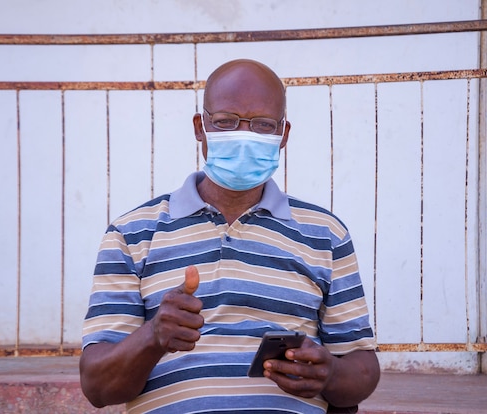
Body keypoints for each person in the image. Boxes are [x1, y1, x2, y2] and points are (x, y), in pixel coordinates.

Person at [79, 58, 380, 414]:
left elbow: (362, 368)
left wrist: (328, 375)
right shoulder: (131, 234)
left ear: (283, 135)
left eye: (263, 125)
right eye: (225, 122)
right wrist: (153, 336)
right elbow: (97, 387)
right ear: (200, 127)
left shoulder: (326, 234)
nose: (243, 136)